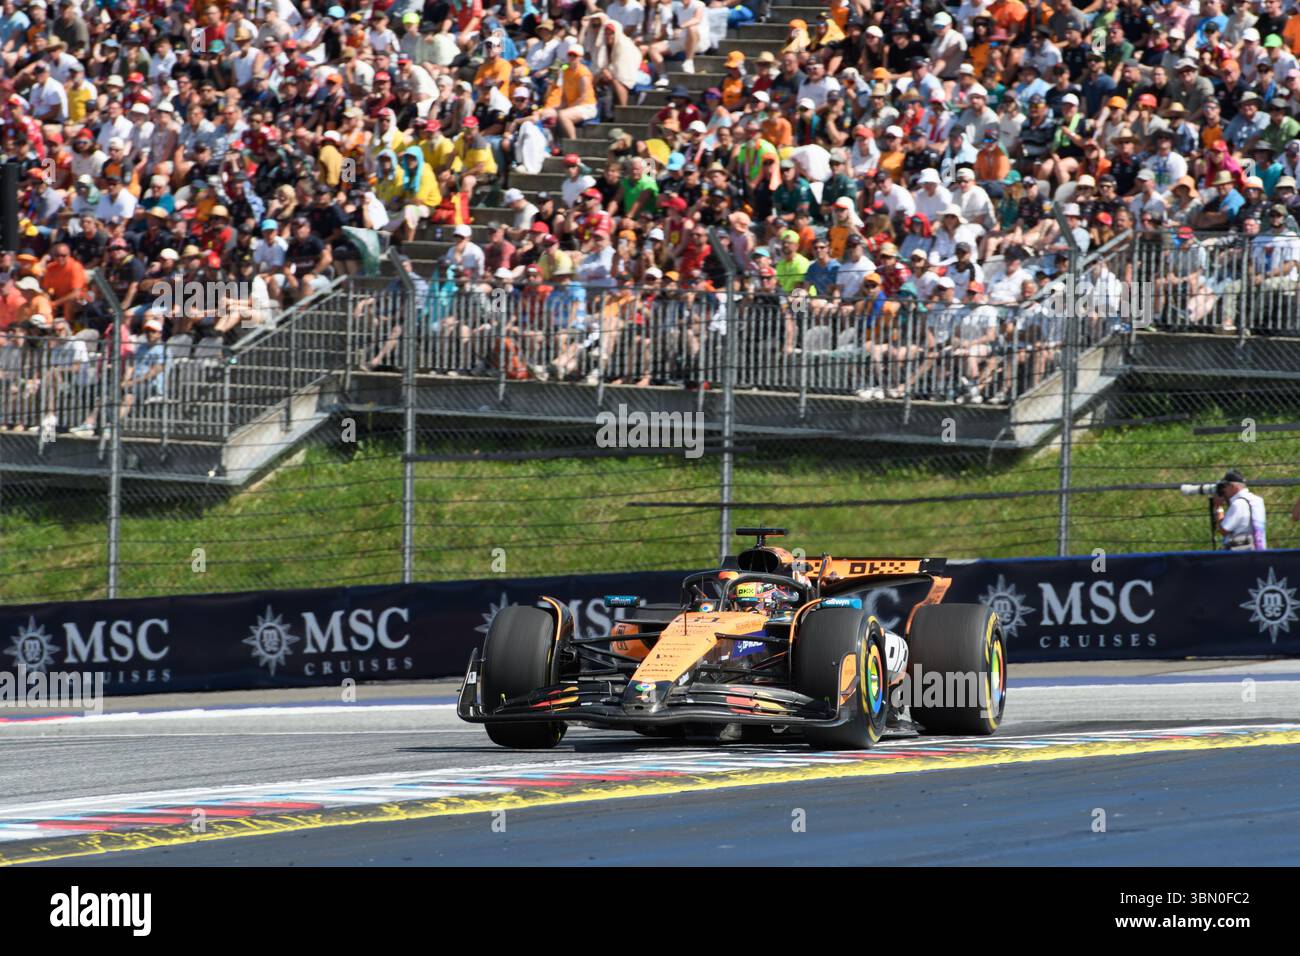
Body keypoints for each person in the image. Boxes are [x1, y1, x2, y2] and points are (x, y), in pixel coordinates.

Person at [1215, 469, 1268, 551]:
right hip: (1258, 549)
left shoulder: (1238, 504)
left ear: (1232, 486)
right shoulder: (1257, 500)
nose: (1223, 490)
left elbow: (1223, 530)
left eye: (1225, 487)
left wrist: (1219, 508)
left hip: (1241, 554)